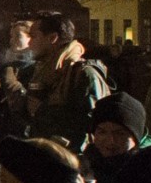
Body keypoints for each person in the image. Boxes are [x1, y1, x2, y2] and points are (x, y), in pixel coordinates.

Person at [24, 13, 109, 151]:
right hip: (47, 153)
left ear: (52, 38)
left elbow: (96, 123)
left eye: (34, 36)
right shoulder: (41, 72)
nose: (29, 43)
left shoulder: (83, 73)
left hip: (71, 157)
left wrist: (43, 111)